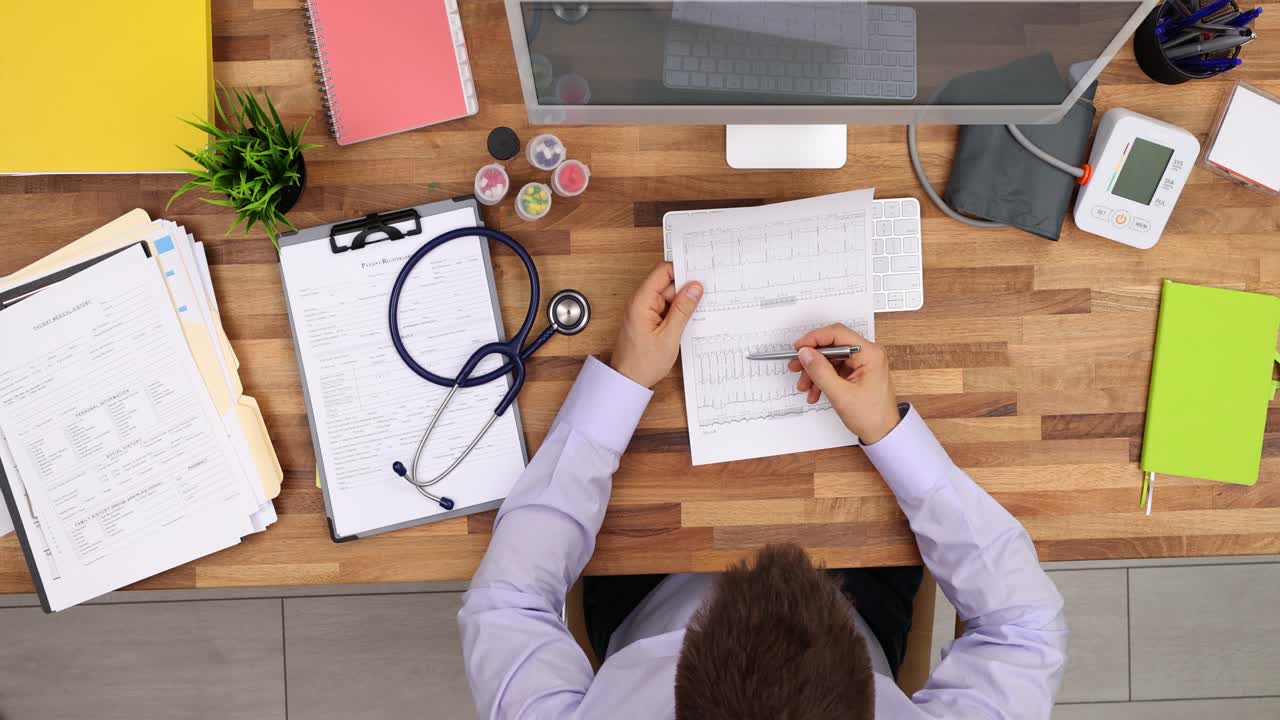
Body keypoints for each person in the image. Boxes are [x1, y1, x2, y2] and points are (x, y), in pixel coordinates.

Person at [458, 263, 1067, 720]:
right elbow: (1025, 626)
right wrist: (886, 430)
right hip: (869, 594)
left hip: (635, 599)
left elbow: (509, 603)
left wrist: (624, 381)